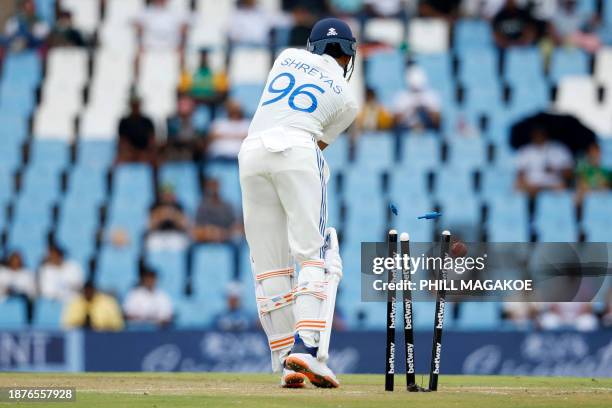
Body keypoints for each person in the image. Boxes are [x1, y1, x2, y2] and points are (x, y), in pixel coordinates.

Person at [239, 18, 357, 388]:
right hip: (298, 147)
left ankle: (285, 361)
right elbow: (315, 145)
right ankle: (306, 347)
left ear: (313, 46)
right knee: (314, 254)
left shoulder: (285, 58)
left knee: (270, 266)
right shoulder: (348, 99)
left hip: (251, 151)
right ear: (348, 55)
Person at [515, 126, 573, 196]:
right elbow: (520, 172)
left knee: (563, 188)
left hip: (554, 184)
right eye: (536, 134)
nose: (539, 136)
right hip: (532, 185)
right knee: (518, 186)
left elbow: (569, 172)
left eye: (541, 134)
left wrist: (556, 170)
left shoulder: (559, 149)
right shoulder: (526, 150)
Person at [178, 48, 228, 118]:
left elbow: (222, 91)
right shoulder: (191, 74)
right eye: (202, 56)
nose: (204, 59)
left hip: (212, 102)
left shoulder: (217, 74)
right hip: (194, 100)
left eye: (205, 57)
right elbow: (183, 90)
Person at [392, 66, 441, 131]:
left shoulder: (431, 96)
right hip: (406, 128)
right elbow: (395, 121)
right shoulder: (402, 97)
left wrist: (426, 108)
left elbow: (437, 121)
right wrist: (409, 109)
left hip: (427, 127)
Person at [192, 179, 241, 243]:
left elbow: (236, 226)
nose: (214, 189)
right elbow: (196, 230)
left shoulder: (227, 206)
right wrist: (212, 233)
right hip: (206, 241)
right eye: (211, 186)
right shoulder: (202, 207)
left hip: (227, 240)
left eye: (215, 186)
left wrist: (223, 234)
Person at [146, 184, 191, 252]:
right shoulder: (154, 206)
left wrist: (174, 216)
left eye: (170, 193)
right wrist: (161, 216)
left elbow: (185, 226)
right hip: (159, 235)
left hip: (175, 234)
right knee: (151, 243)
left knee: (183, 243)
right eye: (165, 194)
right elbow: (150, 226)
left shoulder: (179, 206)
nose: (168, 196)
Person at [164, 94, 207, 161]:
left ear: (193, 107)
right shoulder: (170, 122)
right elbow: (168, 141)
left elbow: (201, 145)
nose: (183, 107)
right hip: (174, 157)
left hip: (192, 159)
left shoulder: (199, 124)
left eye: (186, 104)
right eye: (182, 104)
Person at [116, 96, 156, 164]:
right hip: (129, 152)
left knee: (155, 160)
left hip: (144, 152)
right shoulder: (124, 122)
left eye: (137, 105)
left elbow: (152, 139)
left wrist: (147, 151)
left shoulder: (147, 121)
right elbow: (122, 141)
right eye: (134, 105)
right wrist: (132, 151)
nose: (135, 107)